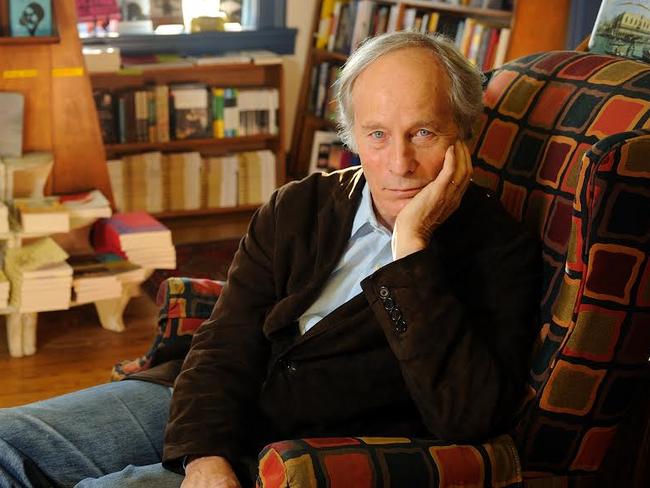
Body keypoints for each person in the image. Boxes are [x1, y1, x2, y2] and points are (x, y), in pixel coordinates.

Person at [0, 31, 541, 488]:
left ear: (462, 134)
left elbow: (469, 416)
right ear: (354, 137)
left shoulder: (498, 249)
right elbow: (226, 334)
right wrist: (202, 453)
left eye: (422, 132)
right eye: (377, 135)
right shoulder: (300, 205)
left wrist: (411, 250)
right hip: (201, 403)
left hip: (293, 456)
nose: (398, 163)